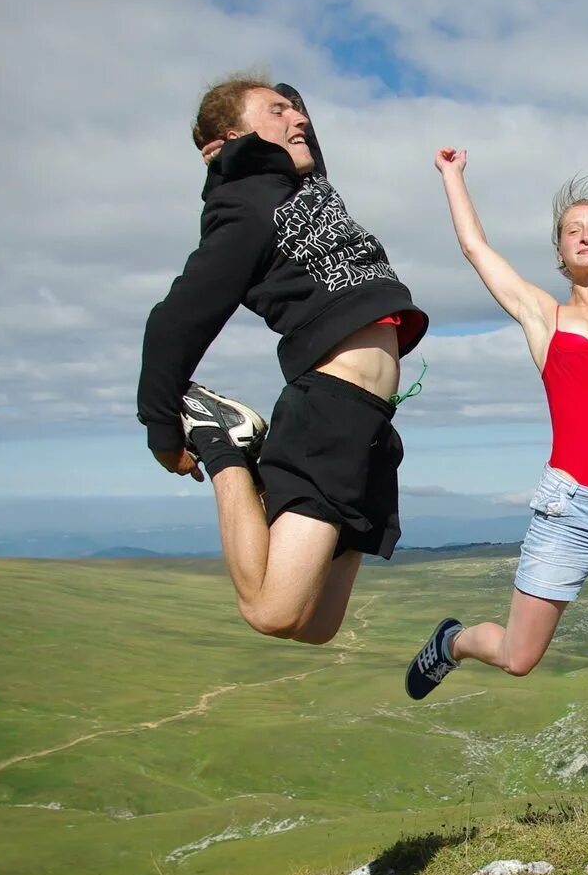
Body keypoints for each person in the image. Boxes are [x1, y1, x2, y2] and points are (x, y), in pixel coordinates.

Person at [405, 143, 588, 703]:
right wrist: (452, 174)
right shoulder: (545, 317)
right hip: (570, 507)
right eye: (573, 230)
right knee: (518, 659)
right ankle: (453, 642)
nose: (586, 235)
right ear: (561, 252)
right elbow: (475, 248)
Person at [136, 76, 427, 645]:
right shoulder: (244, 206)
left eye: (297, 112)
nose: (297, 119)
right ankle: (221, 441)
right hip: (329, 409)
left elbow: (304, 128)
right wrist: (161, 429)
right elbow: (175, 320)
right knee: (270, 612)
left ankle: (239, 453)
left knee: (316, 627)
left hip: (370, 422)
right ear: (234, 136)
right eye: (278, 112)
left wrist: (284, 101)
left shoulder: (308, 183)